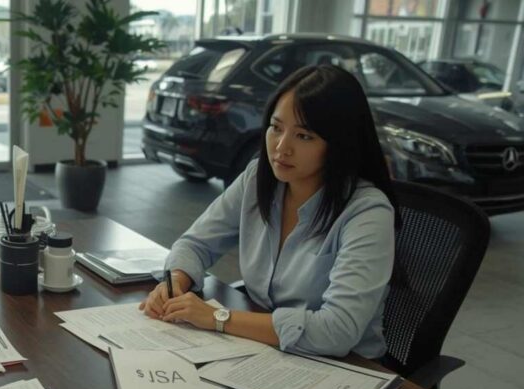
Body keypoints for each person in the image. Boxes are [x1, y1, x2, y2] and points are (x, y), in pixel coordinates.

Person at [141, 65, 398, 359]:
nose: (281, 147)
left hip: (344, 368)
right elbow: (196, 244)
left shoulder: (367, 212)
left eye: (304, 136)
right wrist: (175, 282)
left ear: (339, 144)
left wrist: (217, 318)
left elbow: (337, 331)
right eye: (276, 128)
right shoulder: (258, 178)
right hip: (266, 350)